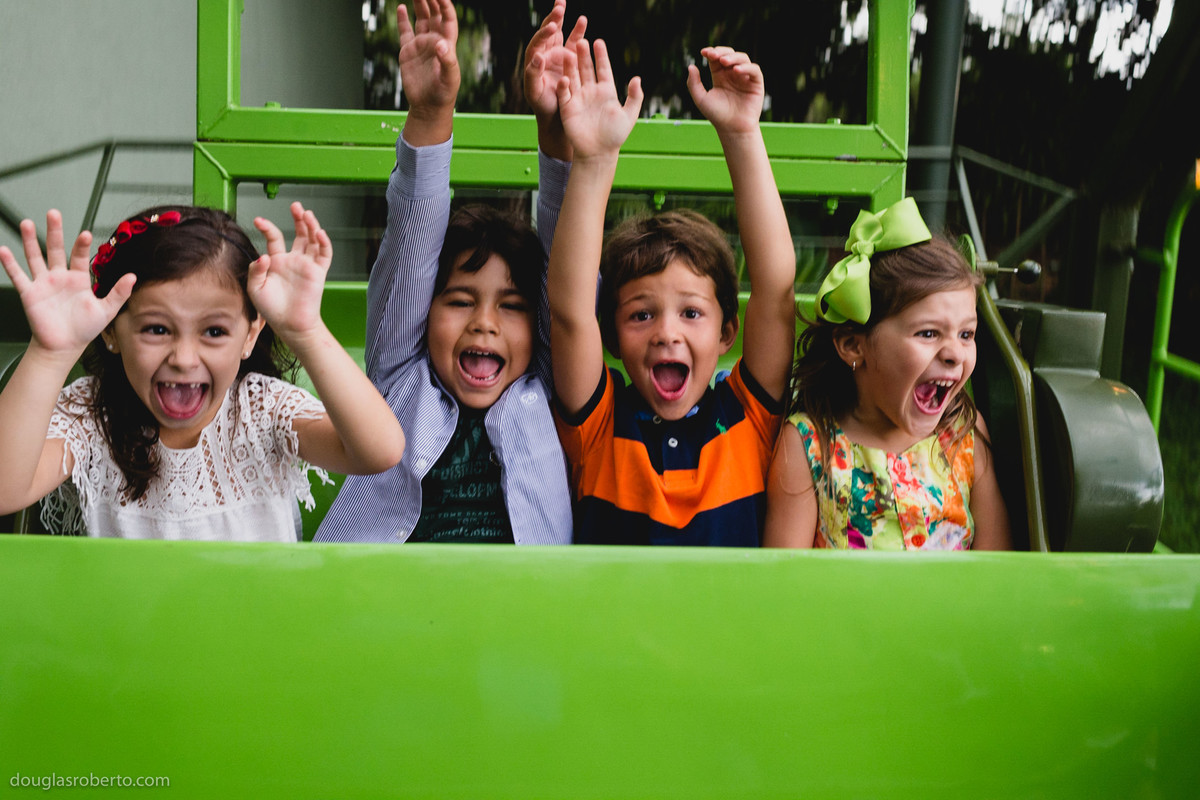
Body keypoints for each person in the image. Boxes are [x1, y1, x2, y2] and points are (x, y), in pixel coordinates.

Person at [315, 0, 581, 544]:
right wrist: (432, 114)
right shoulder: (400, 377)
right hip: (387, 592)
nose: (484, 323)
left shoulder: (551, 384)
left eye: (511, 306)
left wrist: (555, 131)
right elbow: (412, 247)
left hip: (517, 597)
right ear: (424, 312)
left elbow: (567, 274)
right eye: (460, 300)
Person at [0, 203, 405, 540]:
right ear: (110, 330)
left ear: (250, 335)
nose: (184, 358)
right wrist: (50, 353)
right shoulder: (91, 413)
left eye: (214, 332)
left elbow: (379, 452)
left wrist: (307, 331)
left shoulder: (261, 408)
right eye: (157, 329)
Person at [548, 41, 797, 546]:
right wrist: (594, 161)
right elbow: (571, 310)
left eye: (691, 313)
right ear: (611, 336)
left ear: (728, 332)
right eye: (641, 315)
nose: (667, 333)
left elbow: (776, 290)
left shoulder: (747, 419)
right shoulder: (599, 425)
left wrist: (742, 133)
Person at [763, 198, 1012, 550]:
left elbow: (998, 564)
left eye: (966, 334)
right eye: (928, 333)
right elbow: (785, 575)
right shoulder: (810, 444)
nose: (955, 353)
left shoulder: (963, 435)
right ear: (853, 345)